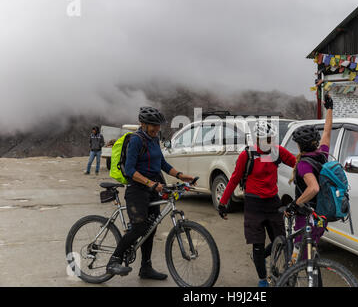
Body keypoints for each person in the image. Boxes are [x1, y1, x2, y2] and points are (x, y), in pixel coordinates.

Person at [106, 107, 196, 279]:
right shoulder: (136, 140)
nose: (156, 128)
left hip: (153, 188)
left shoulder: (154, 140)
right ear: (143, 124)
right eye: (153, 125)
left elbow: (162, 163)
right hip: (137, 189)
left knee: (151, 228)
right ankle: (113, 260)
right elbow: (131, 170)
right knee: (139, 227)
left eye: (158, 125)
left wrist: (181, 175)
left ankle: (145, 268)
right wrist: (151, 184)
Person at [217, 120, 296, 287]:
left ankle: (266, 261)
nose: (271, 142)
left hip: (273, 203)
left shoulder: (277, 151)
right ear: (258, 139)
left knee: (281, 241)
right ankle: (262, 279)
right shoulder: (247, 155)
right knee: (258, 245)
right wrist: (223, 203)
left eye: (272, 138)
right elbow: (234, 179)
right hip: (254, 204)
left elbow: (297, 163)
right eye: (267, 139)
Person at [286, 94, 334, 257]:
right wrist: (329, 109)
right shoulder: (322, 155)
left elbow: (313, 188)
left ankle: (293, 277)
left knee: (300, 254)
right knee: (312, 249)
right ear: (315, 142)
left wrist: (295, 204)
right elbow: (327, 133)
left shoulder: (304, 163)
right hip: (321, 216)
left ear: (299, 145)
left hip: (306, 215)